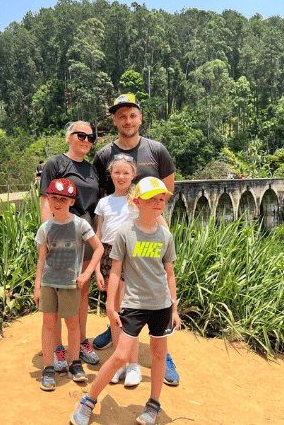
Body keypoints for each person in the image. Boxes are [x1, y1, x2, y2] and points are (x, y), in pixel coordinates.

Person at [70, 177, 181, 425]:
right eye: (152, 199)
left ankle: (153, 406)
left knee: (158, 354)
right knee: (120, 356)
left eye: (162, 199)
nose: (158, 203)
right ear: (137, 202)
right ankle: (87, 401)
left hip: (161, 305)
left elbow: (170, 274)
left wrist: (174, 307)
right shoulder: (125, 234)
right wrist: (111, 306)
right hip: (134, 304)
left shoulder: (165, 235)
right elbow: (116, 272)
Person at [91, 93, 180, 386]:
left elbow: (166, 194)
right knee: (119, 298)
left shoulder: (157, 150)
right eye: (121, 116)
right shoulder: (104, 155)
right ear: (114, 120)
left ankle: (163, 353)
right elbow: (100, 198)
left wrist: (162, 233)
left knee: (155, 292)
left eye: (132, 115)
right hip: (118, 243)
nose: (127, 121)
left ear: (140, 118)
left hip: (149, 238)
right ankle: (117, 334)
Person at [93, 154, 165, 387]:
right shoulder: (104, 203)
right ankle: (119, 362)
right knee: (114, 311)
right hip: (108, 255)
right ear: (111, 174)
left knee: (128, 310)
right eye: (117, 172)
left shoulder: (138, 199)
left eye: (126, 173)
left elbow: (160, 223)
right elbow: (99, 235)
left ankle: (133, 364)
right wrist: (96, 268)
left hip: (132, 256)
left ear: (133, 174)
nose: (121, 176)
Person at [39, 121, 102, 371]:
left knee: (80, 291)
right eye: (81, 135)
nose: (86, 140)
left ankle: (80, 343)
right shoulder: (55, 164)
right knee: (55, 290)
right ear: (68, 137)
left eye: (90, 137)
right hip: (60, 233)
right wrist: (48, 237)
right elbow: (46, 200)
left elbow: (97, 207)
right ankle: (58, 348)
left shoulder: (92, 169)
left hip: (84, 233)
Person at [34, 178, 103, 391]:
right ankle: (48, 368)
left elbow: (98, 249)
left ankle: (75, 364)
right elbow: (41, 259)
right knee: (48, 324)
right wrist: (37, 286)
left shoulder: (80, 225)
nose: (58, 202)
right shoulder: (45, 228)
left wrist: (87, 273)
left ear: (71, 201)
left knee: (73, 324)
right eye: (54, 198)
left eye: (63, 199)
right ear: (48, 200)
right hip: (49, 283)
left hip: (71, 284)